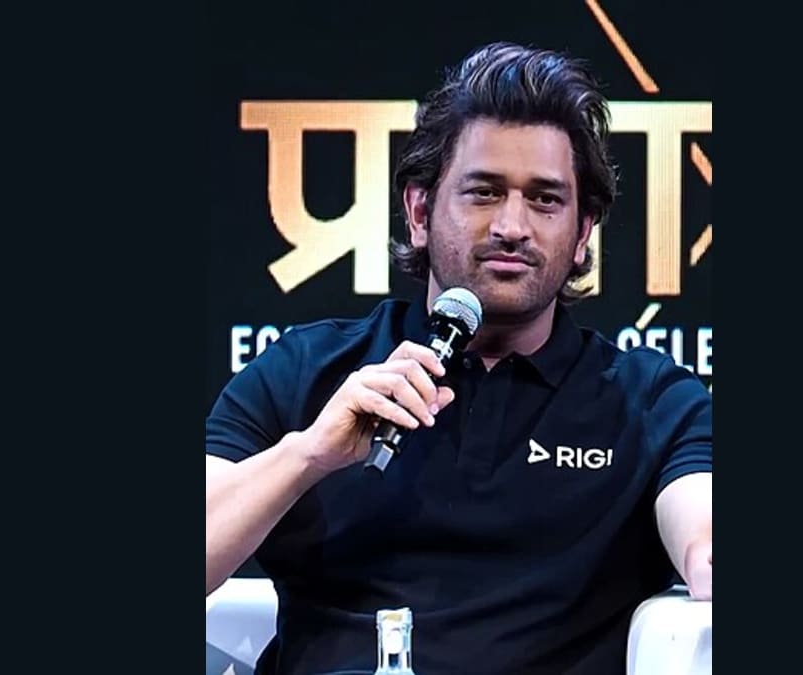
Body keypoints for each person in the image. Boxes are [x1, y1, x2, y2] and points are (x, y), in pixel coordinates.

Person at [206, 41, 712, 675]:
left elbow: (706, 539)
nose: (512, 227)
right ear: (419, 211)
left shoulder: (652, 403)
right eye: (484, 193)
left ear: (583, 233)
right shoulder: (305, 372)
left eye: (545, 200)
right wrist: (308, 455)